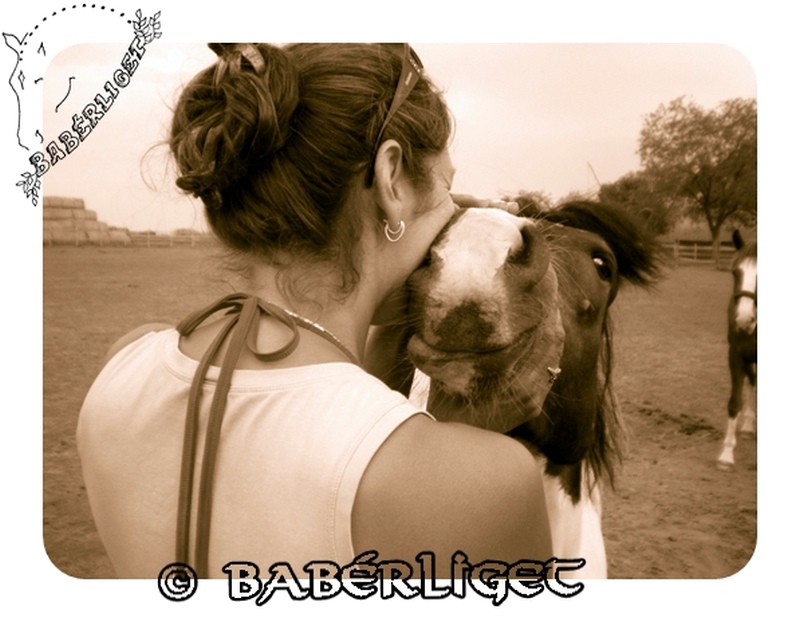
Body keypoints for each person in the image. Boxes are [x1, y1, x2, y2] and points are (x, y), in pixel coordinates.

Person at [77, 43, 552, 580]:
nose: (456, 208)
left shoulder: (123, 365)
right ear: (390, 175)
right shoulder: (479, 484)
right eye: (446, 184)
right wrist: (457, 448)